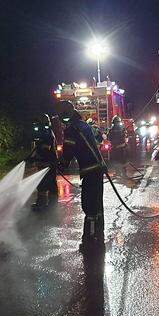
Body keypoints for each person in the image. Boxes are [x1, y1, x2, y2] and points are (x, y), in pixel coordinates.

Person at [56, 101, 106, 253]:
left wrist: (61, 164)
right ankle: (98, 233)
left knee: (89, 205)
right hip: (98, 168)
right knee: (97, 204)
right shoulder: (83, 125)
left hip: (90, 170)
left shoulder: (72, 129)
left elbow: (68, 152)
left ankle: (89, 240)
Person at [28, 114, 58, 209]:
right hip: (47, 162)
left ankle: (42, 204)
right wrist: (33, 157)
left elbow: (45, 148)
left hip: (48, 162)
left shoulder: (47, 133)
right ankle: (52, 204)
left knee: (43, 184)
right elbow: (38, 147)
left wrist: (35, 158)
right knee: (50, 183)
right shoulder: (46, 132)